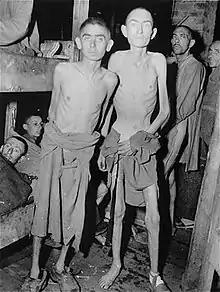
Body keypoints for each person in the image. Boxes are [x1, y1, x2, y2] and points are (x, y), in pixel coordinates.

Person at [24, 17, 117, 292]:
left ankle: (61, 266)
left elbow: (104, 117)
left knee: (74, 210)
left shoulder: (111, 79)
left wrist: (97, 148)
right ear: (78, 41)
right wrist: (59, 140)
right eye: (87, 37)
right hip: (55, 145)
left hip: (84, 150)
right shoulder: (63, 70)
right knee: (44, 205)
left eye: (100, 38)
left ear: (109, 45)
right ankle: (34, 271)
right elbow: (53, 110)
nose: (92, 43)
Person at [98, 7, 170, 291]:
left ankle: (155, 275)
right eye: (133, 25)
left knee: (154, 215)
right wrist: (105, 146)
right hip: (118, 140)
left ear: (152, 33)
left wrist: (139, 139)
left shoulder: (158, 60)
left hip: (143, 145)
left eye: (146, 25)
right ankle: (116, 264)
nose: (140, 30)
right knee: (117, 212)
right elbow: (107, 105)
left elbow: (164, 111)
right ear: (124, 31)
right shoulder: (115, 58)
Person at [163, 25, 206, 230]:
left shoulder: (195, 66)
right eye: (174, 36)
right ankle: (170, 225)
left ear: (191, 43)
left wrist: (162, 127)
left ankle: (157, 226)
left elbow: (186, 106)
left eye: (182, 37)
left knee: (160, 175)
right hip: (170, 124)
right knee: (170, 178)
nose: (176, 40)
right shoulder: (176, 63)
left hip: (177, 125)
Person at [0, 136, 33, 216]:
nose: (9, 151)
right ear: (1, 148)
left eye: (16, 150)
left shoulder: (17, 178)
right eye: (8, 146)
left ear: (21, 159)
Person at [200, 40, 220, 157]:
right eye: (211, 51)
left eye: (217, 52)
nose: (211, 55)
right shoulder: (212, 74)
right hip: (207, 122)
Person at [15, 114, 43, 181]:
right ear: (25, 127)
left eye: (41, 124)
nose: (40, 127)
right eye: (35, 124)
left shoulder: (38, 144)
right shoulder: (22, 144)